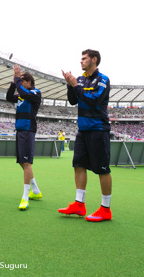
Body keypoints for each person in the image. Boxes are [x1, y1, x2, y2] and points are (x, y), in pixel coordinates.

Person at [58, 49, 113, 222]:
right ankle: (79, 204)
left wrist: (75, 86)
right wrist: (70, 84)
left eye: (84, 58)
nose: (80, 61)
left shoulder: (103, 79)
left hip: (98, 129)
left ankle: (105, 208)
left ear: (94, 60)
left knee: (102, 169)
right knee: (79, 165)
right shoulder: (80, 79)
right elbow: (73, 100)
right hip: (82, 130)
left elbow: (94, 100)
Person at [6, 65, 43, 211]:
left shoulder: (35, 92)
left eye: (22, 81)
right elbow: (9, 97)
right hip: (20, 130)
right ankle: (36, 191)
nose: (20, 84)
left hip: (28, 130)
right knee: (22, 161)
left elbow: (22, 91)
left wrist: (17, 79)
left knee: (26, 163)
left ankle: (25, 197)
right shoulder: (22, 93)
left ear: (29, 82)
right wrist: (13, 82)